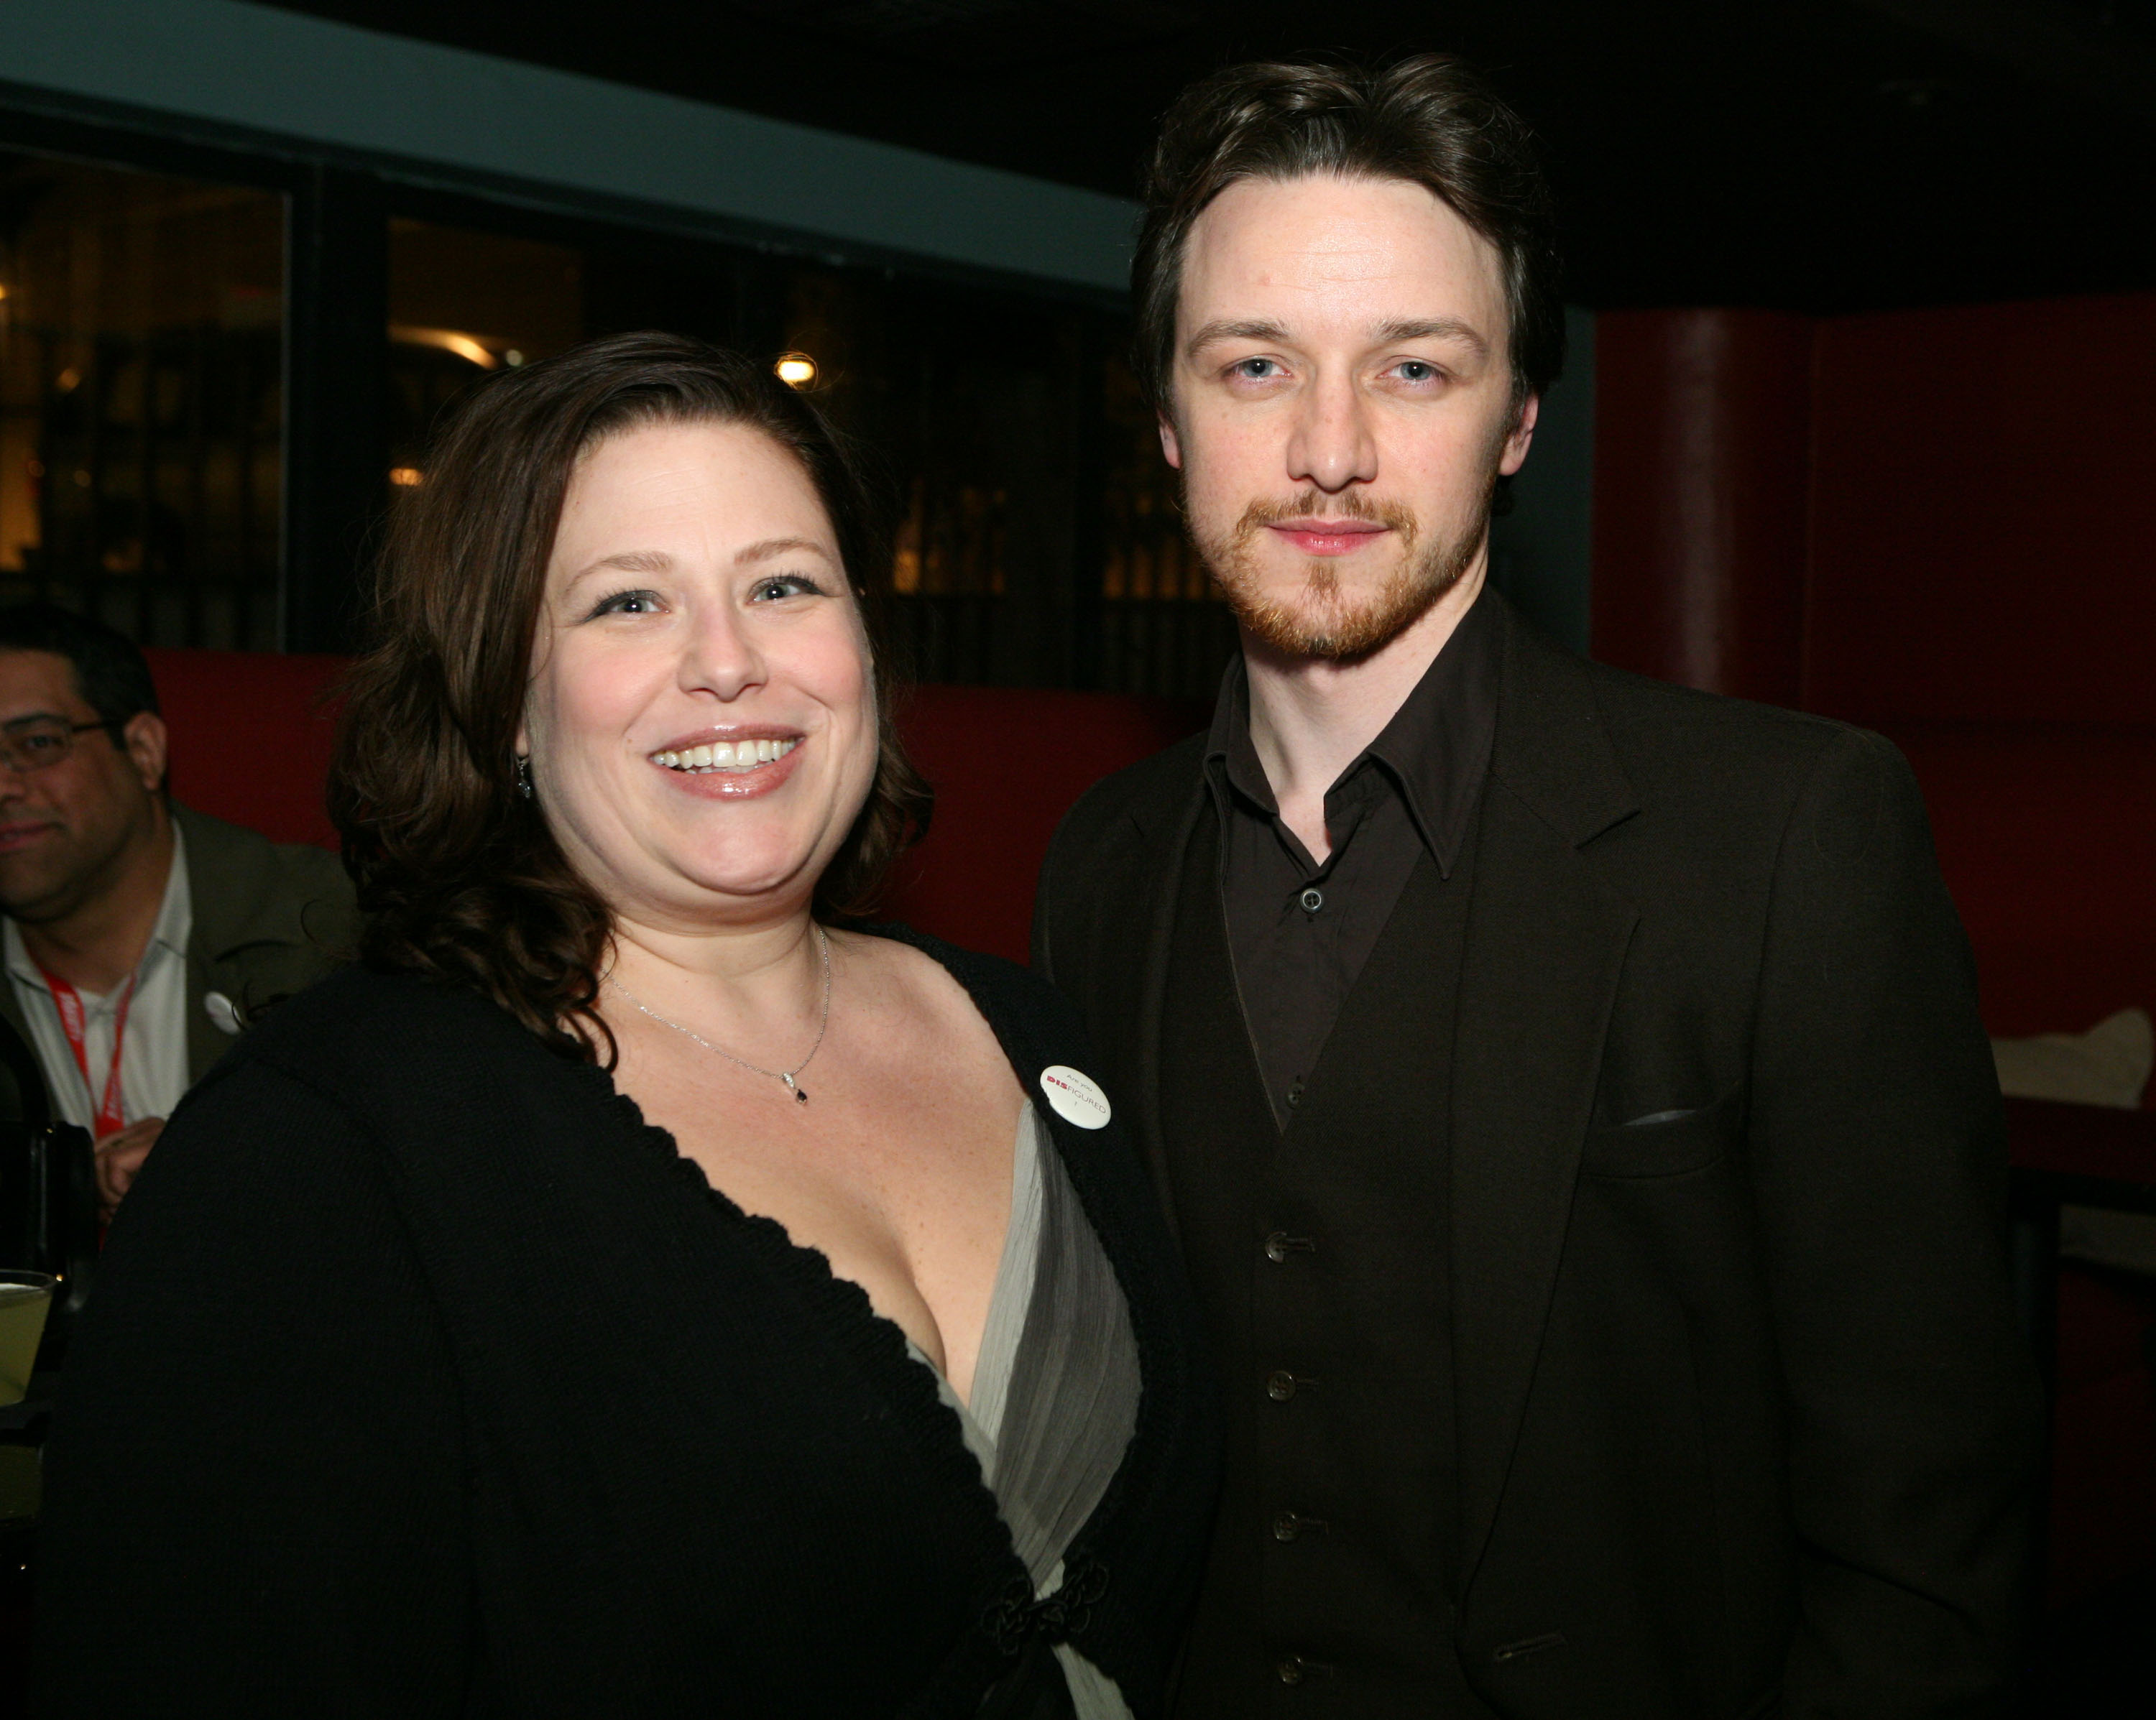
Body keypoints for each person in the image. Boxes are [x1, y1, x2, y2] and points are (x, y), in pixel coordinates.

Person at [1032, 55, 2042, 1719]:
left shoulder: (1790, 832)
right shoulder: (1101, 861)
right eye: (1253, 365)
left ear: (1515, 420)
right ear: (1163, 415)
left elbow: (1920, 1533)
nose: (1329, 449)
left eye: (1412, 369)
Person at [37, 332, 1217, 1718]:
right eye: (626, 604)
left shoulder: (1028, 1027)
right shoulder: (324, 1146)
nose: (729, 662)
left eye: (783, 583)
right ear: (504, 705)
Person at [0, 607, 353, 1213]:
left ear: (142, 750)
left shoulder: (336, 929)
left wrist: (237, 1157)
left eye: (37, 744)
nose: (3, 784)